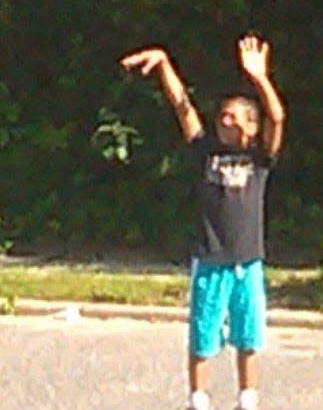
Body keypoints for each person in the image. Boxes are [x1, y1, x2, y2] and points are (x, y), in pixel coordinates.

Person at [120, 34, 286, 410]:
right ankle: (198, 399)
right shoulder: (205, 151)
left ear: (251, 126)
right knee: (203, 336)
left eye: (233, 116)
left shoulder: (260, 159)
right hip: (210, 261)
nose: (224, 120)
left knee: (249, 336)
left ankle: (248, 398)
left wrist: (259, 78)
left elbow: (276, 116)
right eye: (221, 115)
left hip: (248, 263)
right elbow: (183, 108)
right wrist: (163, 63)